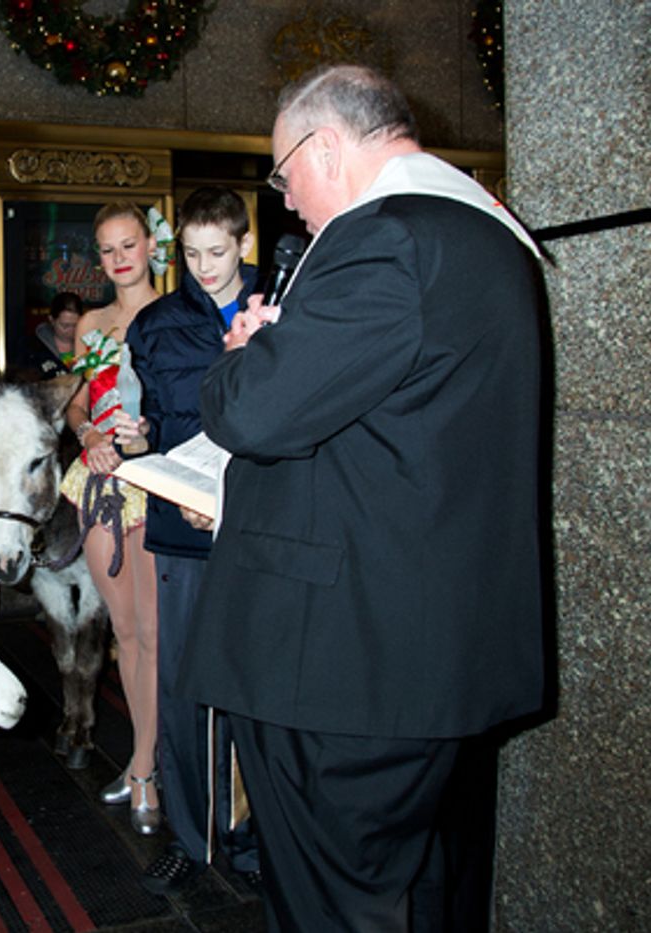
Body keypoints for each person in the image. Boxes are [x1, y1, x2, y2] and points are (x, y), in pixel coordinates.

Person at [184, 65, 546, 931]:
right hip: (426, 654)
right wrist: (295, 348)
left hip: (345, 667)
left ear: (328, 145)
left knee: (333, 908)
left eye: (284, 174)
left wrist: (245, 353)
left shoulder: (387, 237)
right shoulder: (489, 236)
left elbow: (252, 411)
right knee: (418, 897)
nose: (288, 201)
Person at [120, 187, 261, 894]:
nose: (205, 268)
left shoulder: (285, 307)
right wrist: (133, 434)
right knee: (184, 685)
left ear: (244, 243)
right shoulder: (154, 324)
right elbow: (140, 413)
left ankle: (257, 835)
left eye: (218, 252)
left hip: (264, 528)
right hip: (181, 526)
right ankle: (193, 835)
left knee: (260, 686)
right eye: (192, 253)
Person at [60, 201, 161, 835]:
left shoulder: (176, 313)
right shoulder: (92, 321)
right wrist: (89, 430)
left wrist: (150, 433)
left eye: (129, 245)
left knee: (154, 632)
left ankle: (149, 765)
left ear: (152, 246)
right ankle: (141, 758)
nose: (119, 258)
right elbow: (73, 407)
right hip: (98, 481)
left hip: (154, 483)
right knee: (123, 630)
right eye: (107, 249)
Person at [21, 290, 83, 379]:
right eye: (65, 325)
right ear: (52, 320)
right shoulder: (32, 349)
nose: (71, 330)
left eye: (75, 325)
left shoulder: (90, 346)